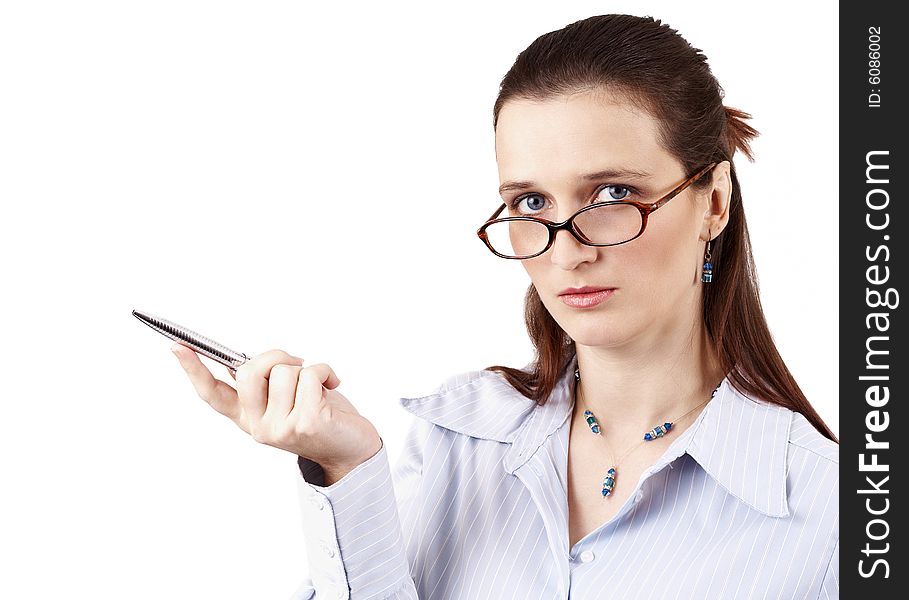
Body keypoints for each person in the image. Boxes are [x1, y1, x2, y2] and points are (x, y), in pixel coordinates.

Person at [171, 14, 839, 599]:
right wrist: (345, 467)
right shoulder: (455, 443)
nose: (566, 251)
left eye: (609, 195)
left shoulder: (832, 516)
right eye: (530, 203)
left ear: (713, 201)